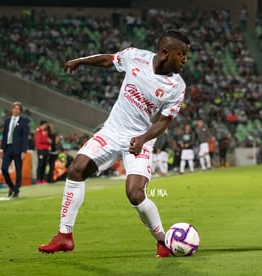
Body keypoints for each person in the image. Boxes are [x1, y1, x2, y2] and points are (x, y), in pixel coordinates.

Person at [38, 29, 190, 257]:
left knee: (135, 194)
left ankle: (162, 241)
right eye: (182, 54)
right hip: (112, 131)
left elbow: (164, 121)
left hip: (141, 140)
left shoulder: (177, 87)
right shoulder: (135, 56)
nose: (185, 60)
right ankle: (64, 236)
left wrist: (143, 139)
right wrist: (80, 61)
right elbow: (109, 59)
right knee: (76, 169)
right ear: (165, 53)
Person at [0, 101, 30, 198]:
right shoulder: (7, 120)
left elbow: (25, 137)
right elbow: (4, 135)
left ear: (20, 111)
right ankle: (11, 186)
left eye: (18, 109)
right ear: (12, 109)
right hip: (8, 147)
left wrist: (24, 151)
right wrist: (1, 149)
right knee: (4, 168)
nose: (15, 110)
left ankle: (16, 189)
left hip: (18, 148)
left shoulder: (24, 121)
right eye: (14, 108)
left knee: (18, 170)